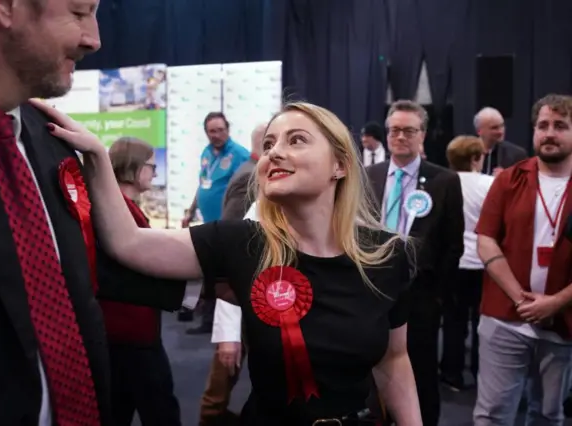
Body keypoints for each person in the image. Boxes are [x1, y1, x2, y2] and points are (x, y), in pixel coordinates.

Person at [33, 98, 423, 426]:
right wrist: (99, 157)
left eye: (296, 140)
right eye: (269, 143)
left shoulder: (389, 254)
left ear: (340, 165)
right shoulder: (242, 241)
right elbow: (128, 243)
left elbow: (394, 360)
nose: (275, 151)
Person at [0, 1, 186, 424]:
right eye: (79, 11)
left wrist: (220, 274)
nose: (95, 39)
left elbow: (58, 266)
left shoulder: (52, 139)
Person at [365, 100, 465, 426]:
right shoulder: (369, 177)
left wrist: (436, 296)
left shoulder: (444, 180)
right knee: (369, 371)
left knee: (420, 376)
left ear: (422, 134)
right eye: (395, 130)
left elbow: (453, 245)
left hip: (419, 299)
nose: (400, 137)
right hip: (371, 294)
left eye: (409, 130)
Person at [474, 94, 572, 426]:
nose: (549, 133)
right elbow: (486, 241)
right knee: (492, 414)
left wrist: (555, 302)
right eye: (542, 125)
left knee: (548, 415)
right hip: (504, 319)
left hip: (564, 323)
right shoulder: (509, 179)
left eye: (560, 126)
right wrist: (521, 299)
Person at [101, 137, 181, 426]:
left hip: (123, 329)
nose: (155, 173)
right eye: (151, 166)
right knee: (160, 411)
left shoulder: (118, 208)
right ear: (133, 167)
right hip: (132, 330)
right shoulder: (122, 212)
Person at [200, 123, 265, 425]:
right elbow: (231, 251)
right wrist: (227, 333)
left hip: (267, 300)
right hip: (241, 301)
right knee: (219, 390)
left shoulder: (260, 175)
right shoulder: (249, 179)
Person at [182, 112, 251, 335]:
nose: (217, 135)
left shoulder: (240, 155)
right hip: (207, 225)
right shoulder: (206, 153)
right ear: (206, 133)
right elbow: (203, 184)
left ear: (228, 130)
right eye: (212, 131)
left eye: (221, 130)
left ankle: (215, 321)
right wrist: (191, 211)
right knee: (207, 271)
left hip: (226, 227)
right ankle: (202, 314)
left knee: (218, 275)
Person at [440, 136, 494, 391]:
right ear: (475, 158)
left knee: (453, 321)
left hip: (454, 262)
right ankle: (481, 372)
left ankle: (452, 375)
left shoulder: (443, 183)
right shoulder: (489, 184)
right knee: (483, 323)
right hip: (485, 263)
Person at [473, 107, 528, 176]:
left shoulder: (517, 155)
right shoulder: (465, 153)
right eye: (494, 128)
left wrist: (507, 178)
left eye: (502, 126)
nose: (500, 131)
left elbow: (525, 182)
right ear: (479, 131)